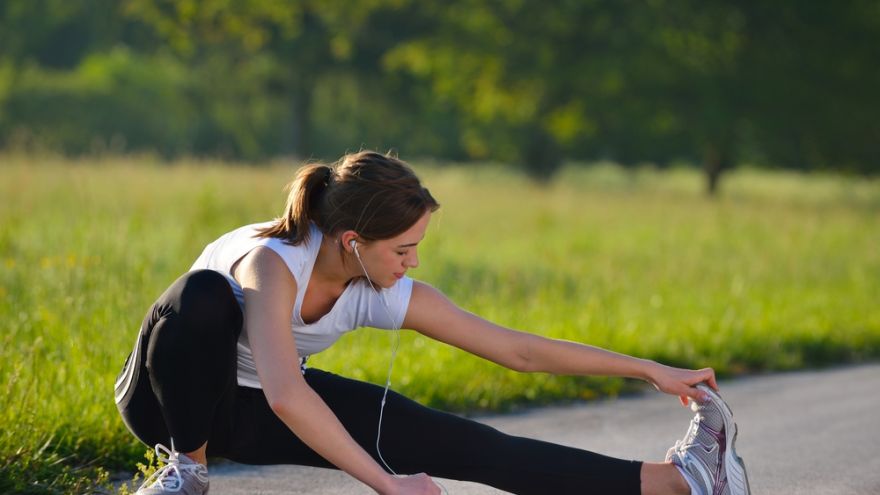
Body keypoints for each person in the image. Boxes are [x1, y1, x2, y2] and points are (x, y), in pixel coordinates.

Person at [114, 150, 750, 495]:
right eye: (403, 250)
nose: (413, 263)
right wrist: (389, 485)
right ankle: (186, 472)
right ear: (353, 240)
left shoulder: (377, 280)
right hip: (166, 405)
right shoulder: (274, 264)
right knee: (201, 297)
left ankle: (675, 483)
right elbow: (286, 392)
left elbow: (515, 351)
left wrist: (648, 370)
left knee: (468, 444)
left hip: (249, 411)